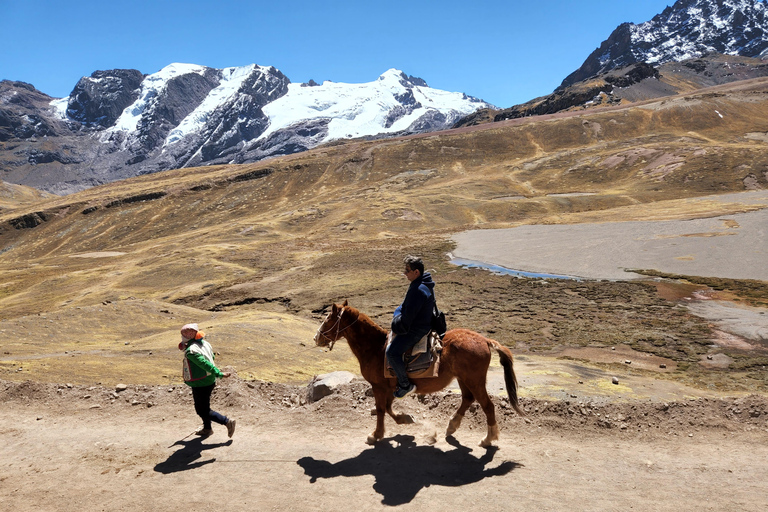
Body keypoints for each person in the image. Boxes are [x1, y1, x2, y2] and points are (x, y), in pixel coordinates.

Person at [386, 255, 436, 398]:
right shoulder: (424, 283)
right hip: (423, 323)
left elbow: (406, 320)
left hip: (416, 329)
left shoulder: (417, 290)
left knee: (392, 353)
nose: (405, 273)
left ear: (416, 272)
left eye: (407, 270)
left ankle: (405, 385)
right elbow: (407, 307)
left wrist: (395, 321)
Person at [178, 323, 236, 438]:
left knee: (201, 410)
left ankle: (227, 422)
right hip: (208, 380)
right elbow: (211, 358)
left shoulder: (191, 351)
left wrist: (219, 373)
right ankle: (207, 428)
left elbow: (204, 364)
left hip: (201, 382)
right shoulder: (204, 343)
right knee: (204, 406)